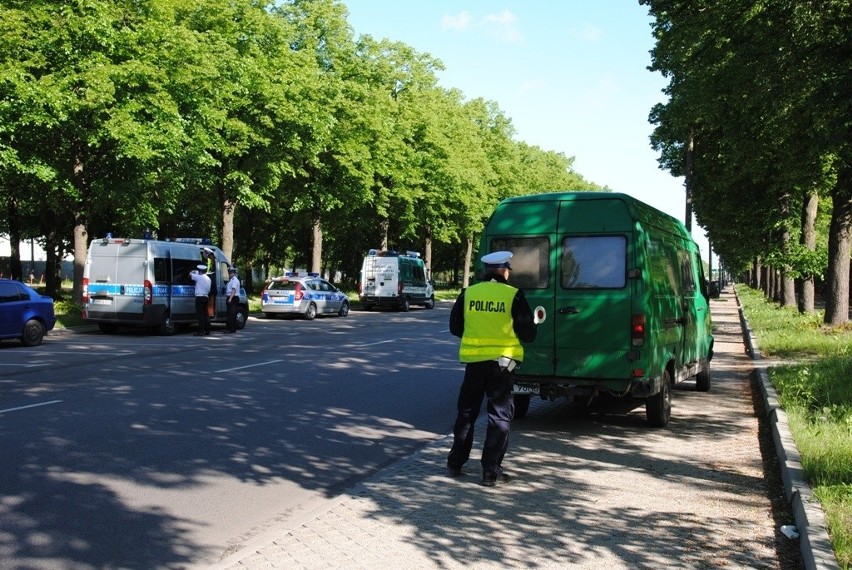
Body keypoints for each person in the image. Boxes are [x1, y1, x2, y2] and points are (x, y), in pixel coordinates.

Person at [447, 250, 537, 486]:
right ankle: (490, 471)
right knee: (499, 416)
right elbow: (529, 334)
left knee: (467, 413)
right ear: (506, 270)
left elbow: (455, 327)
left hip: (474, 364)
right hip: (503, 366)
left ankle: (456, 462)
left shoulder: (469, 293)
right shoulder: (514, 296)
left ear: (486, 271)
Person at [190, 264, 212, 336]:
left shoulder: (199, 277)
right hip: (206, 297)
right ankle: (207, 330)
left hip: (199, 298)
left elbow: (190, 274)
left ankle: (201, 331)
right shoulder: (209, 279)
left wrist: (194, 271)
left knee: (200, 315)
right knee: (206, 314)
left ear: (200, 271)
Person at [225, 266, 240, 333]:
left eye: (230, 273)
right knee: (230, 314)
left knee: (231, 314)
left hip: (233, 298)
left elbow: (233, 290)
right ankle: (231, 329)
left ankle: (231, 329)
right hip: (232, 297)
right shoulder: (232, 280)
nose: (229, 274)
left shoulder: (234, 280)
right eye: (229, 273)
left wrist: (230, 298)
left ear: (234, 273)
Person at [203, 247, 217, 320]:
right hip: (212, 285)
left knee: (208, 306)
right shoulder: (212, 260)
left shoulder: (208, 261)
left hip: (209, 285)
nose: (203, 254)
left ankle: (209, 316)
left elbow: (207, 272)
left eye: (204, 253)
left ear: (207, 254)